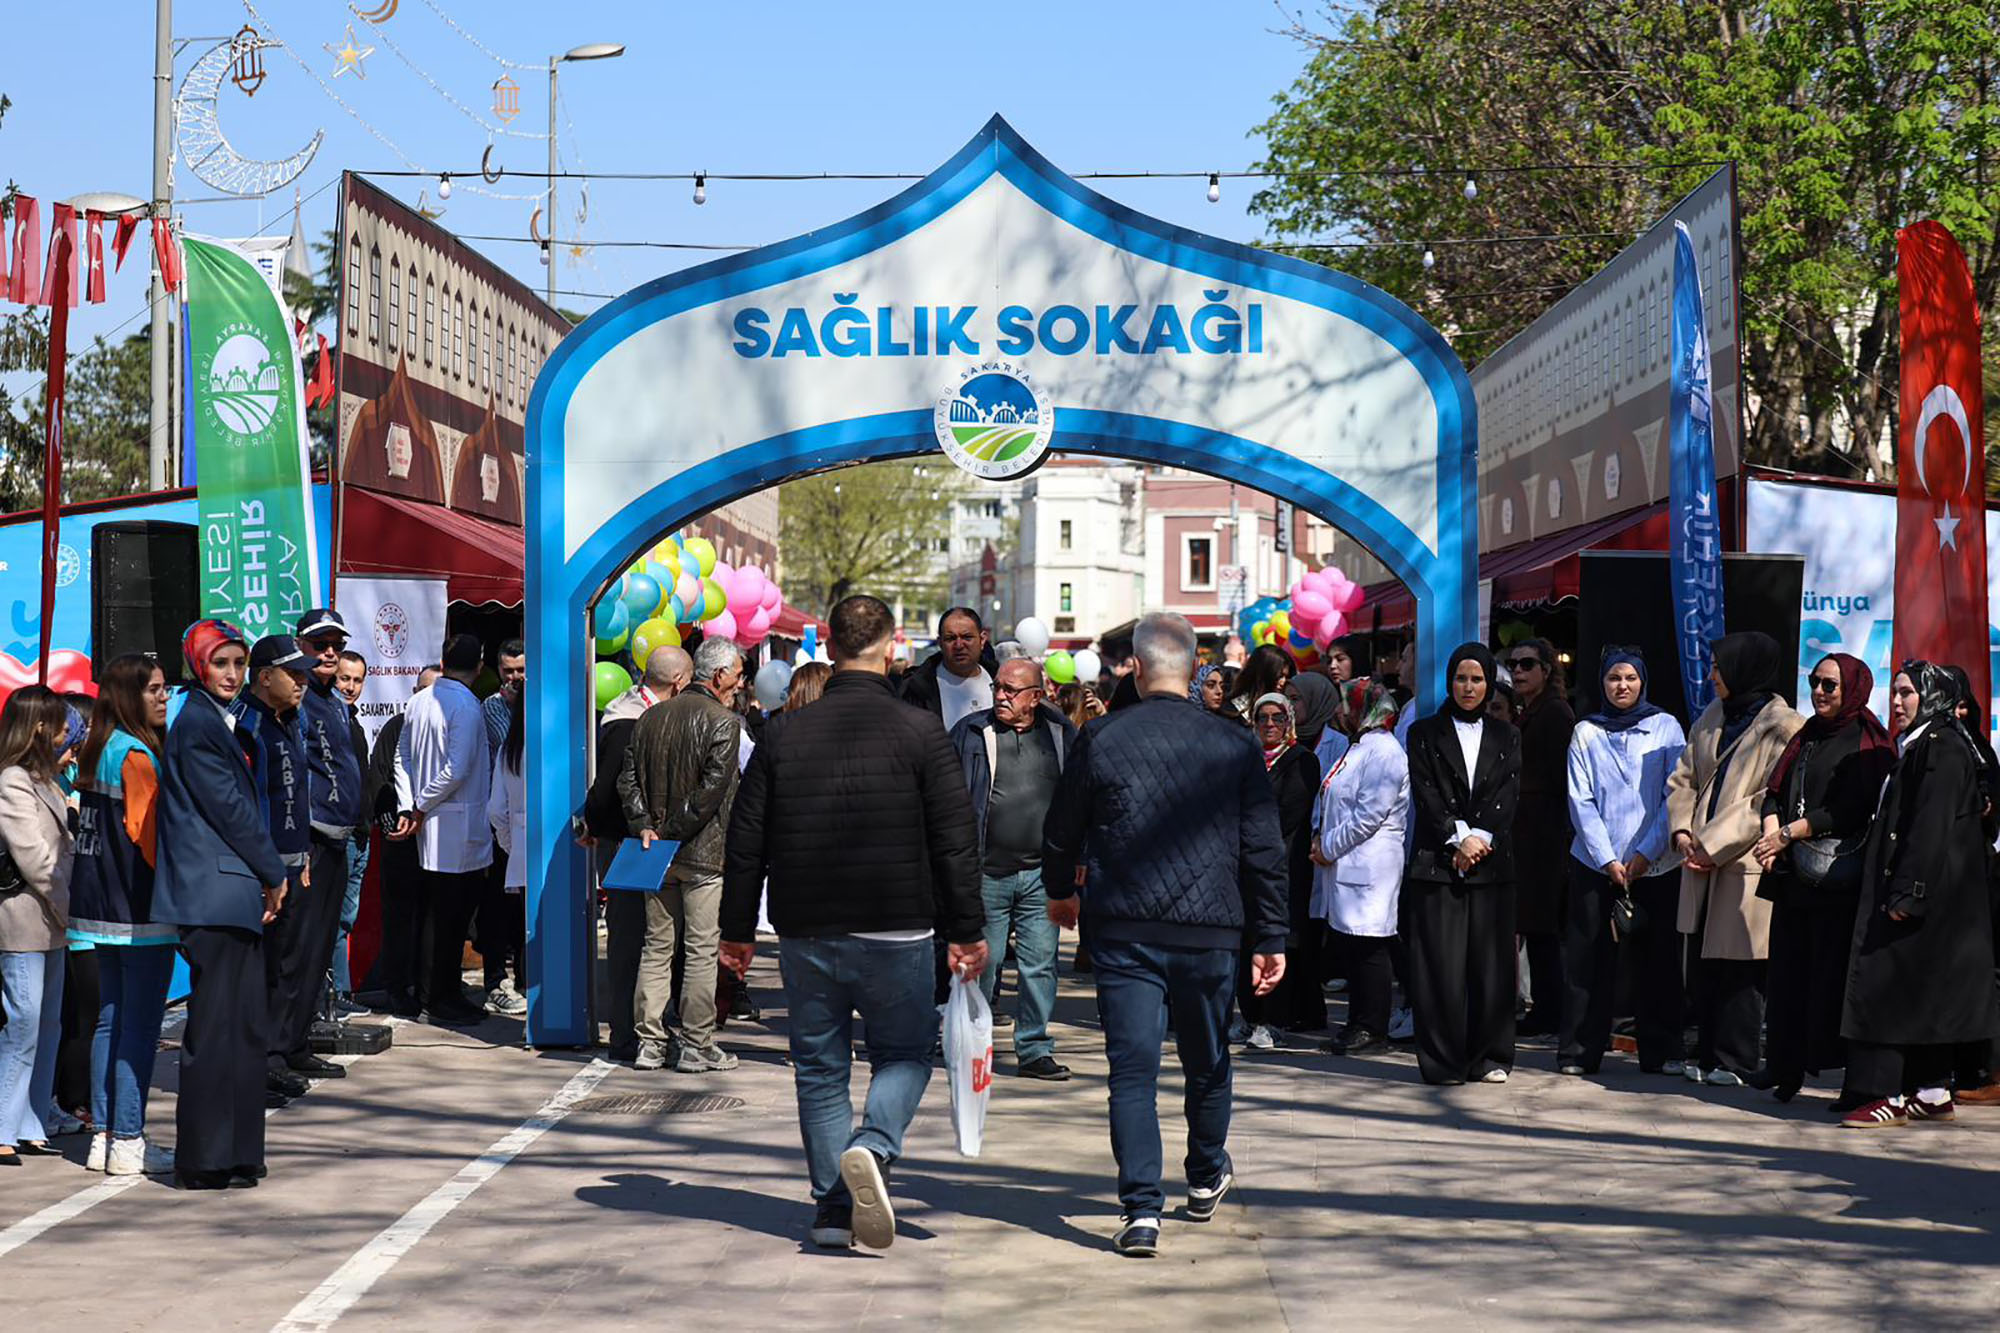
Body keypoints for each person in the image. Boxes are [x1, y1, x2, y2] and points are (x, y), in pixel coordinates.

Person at [721, 594, 986, 1252]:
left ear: (830, 646)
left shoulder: (782, 733)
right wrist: (967, 928)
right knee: (904, 1051)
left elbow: (745, 840)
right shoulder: (920, 730)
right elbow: (954, 840)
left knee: (819, 1068)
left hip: (807, 924)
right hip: (897, 923)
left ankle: (833, 1208)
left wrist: (735, 931)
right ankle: (872, 1144)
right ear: (891, 645)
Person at [1042, 611, 1288, 1258]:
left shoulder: (1103, 736)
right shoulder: (1235, 744)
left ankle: (1141, 1209)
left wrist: (1060, 891)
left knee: (1133, 1070)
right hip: (1211, 929)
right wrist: (1272, 935)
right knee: (1208, 1060)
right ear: (1194, 670)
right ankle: (1205, 1173)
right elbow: (1263, 848)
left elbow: (1062, 826)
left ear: (1139, 668)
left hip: (1125, 927)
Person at [153, 621, 288, 1189]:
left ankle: (234, 1154)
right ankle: (205, 1160)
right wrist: (274, 870)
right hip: (214, 894)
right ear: (198, 666)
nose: (231, 674)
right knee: (215, 1030)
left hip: (226, 893)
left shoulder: (211, 719)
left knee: (242, 1028)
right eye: (220, 664)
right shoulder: (199, 725)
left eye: (237, 663)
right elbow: (231, 809)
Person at [1838, 663, 2000, 1127]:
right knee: (1922, 993)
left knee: (1887, 989)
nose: (1897, 701)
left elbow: (1929, 828)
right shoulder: (1930, 744)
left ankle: (1886, 1093)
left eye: (1908, 692)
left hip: (1920, 897)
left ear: (1934, 697)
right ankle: (1930, 1091)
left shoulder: (1941, 748)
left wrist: (1910, 891)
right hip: (1931, 900)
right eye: (1895, 692)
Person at [1744, 653, 1894, 1101]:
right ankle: (1784, 1066)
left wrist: (1788, 833)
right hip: (1795, 878)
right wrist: (1773, 830)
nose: (1820, 692)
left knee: (1831, 981)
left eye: (1830, 684)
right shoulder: (1807, 734)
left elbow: (1850, 810)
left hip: (1837, 882)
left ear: (1852, 688)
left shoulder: (1869, 742)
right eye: (1815, 682)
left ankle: (1848, 1080)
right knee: (1787, 977)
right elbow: (1775, 789)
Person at [1665, 631, 1804, 1087]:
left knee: (1741, 966)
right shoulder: (1711, 715)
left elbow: (1769, 798)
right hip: (1699, 860)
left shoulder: (1785, 726)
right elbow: (1683, 776)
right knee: (1703, 964)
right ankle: (1706, 1053)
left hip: (1741, 861)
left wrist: (1713, 843)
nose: (1712, 676)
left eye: (1720, 668)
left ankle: (1737, 1058)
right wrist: (1683, 831)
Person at [69, 655, 176, 1174]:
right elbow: (150, 839)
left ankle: (106, 1136)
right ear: (128, 696)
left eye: (163, 689)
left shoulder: (99, 748)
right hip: (138, 911)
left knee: (110, 1023)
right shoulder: (135, 755)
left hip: (96, 908)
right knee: (136, 1027)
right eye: (153, 690)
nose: (162, 698)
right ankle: (129, 1139)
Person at [1559, 649, 1687, 1076]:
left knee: (1659, 961)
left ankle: (1663, 1050)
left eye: (1631, 677)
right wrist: (1609, 858)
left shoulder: (1665, 727)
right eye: (1614, 678)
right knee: (1588, 960)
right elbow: (1581, 799)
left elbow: (1676, 794)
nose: (1623, 686)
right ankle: (1579, 1051)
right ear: (1602, 682)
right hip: (1596, 864)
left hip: (1655, 865)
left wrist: (1644, 854)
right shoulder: (1586, 732)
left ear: (1643, 681)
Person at [620, 636, 745, 1073]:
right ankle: (696, 1043)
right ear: (720, 675)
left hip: (657, 851)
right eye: (738, 674)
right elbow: (711, 793)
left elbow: (627, 782)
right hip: (701, 853)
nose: (741, 682)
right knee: (699, 949)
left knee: (656, 947)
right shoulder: (724, 722)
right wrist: (666, 831)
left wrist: (646, 828)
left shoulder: (650, 718)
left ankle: (650, 1044)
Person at [949, 656, 1076, 1080]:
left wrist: (1079, 858)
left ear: (1036, 697)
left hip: (1043, 874)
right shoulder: (970, 733)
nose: (999, 696)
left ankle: (1034, 1047)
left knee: (1040, 964)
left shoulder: (1061, 734)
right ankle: (973, 1046)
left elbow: (1083, 798)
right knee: (982, 963)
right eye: (997, 688)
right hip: (986, 871)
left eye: (1010, 690)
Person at [1403, 643, 1522, 1087]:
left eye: (1477, 679)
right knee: (1439, 967)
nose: (1468, 687)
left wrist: (1481, 839)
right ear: (1449, 680)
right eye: (1460, 678)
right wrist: (1459, 836)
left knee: (1491, 967)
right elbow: (1426, 791)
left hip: (1492, 866)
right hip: (1438, 862)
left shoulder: (1508, 735)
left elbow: (1507, 795)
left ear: (1489, 682)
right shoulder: (1423, 733)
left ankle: (1490, 1055)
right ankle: (1442, 1061)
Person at [583, 646, 691, 1060]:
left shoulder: (620, 710)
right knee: (634, 940)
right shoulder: (633, 722)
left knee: (643, 939)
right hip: (633, 844)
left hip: (626, 840)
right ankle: (628, 1035)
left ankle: (641, 1030)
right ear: (679, 683)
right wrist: (599, 825)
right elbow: (609, 786)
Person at [235, 636, 325, 1099]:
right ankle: (259, 1060)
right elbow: (245, 805)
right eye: (296, 673)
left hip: (294, 864)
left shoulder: (293, 718)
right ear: (265, 676)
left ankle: (284, 1046)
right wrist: (263, 869)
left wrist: (303, 853)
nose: (304, 682)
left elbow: (296, 794)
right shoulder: (245, 724)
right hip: (259, 871)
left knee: (290, 963)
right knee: (260, 969)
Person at [0, 687, 82, 1167]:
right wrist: (65, 905)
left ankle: (30, 1121)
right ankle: (4, 1125)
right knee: (23, 1022)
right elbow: (33, 856)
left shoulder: (46, 779)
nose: (66, 731)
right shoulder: (13, 780)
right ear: (37, 727)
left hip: (52, 919)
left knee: (47, 1023)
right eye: (57, 722)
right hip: (25, 918)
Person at [397, 633, 495, 1026]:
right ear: (480, 666)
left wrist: (411, 803)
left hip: (431, 820)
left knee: (436, 916)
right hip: (455, 825)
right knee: (450, 920)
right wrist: (419, 805)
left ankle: (434, 991)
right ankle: (442, 995)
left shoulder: (419, 700)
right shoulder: (467, 707)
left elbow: (402, 757)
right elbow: (456, 769)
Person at [1313, 680, 1409, 1056]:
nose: (1341, 713)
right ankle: (1357, 1023)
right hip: (1346, 862)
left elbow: (1369, 815)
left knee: (1371, 947)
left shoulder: (1385, 752)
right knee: (1354, 947)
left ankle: (1373, 1028)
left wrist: (1329, 847)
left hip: (1371, 866)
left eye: (1346, 706)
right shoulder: (1360, 746)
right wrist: (1322, 841)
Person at [290, 610, 364, 1066]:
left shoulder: (335, 701)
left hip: (341, 835)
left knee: (321, 945)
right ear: (301, 645)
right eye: (321, 644)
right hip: (311, 839)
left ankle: (302, 1039)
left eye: (336, 643)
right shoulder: (296, 700)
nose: (330, 652)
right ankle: (288, 1044)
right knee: (301, 948)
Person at [1237, 692, 1322, 1043]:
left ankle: (1273, 1020)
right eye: (1262, 718)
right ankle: (1250, 1015)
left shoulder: (1301, 760)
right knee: (1246, 942)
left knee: (1279, 940)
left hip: (1284, 865)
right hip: (1245, 867)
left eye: (1278, 718)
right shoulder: (1248, 758)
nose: (1269, 725)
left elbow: (1288, 812)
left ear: (1290, 721)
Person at [1501, 638, 1573, 1039]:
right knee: (1532, 926)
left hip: (1545, 835)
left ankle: (1551, 1010)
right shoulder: (1529, 712)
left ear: (1547, 669)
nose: (1519, 670)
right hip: (1526, 833)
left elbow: (1564, 781)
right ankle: (1546, 1008)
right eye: (1513, 664)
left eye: (1527, 663)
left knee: (1543, 928)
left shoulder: (1556, 714)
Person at [367, 666, 439, 1016]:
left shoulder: (446, 727)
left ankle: (429, 990)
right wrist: (393, 819)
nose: (428, 698)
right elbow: (381, 776)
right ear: (413, 691)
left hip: (437, 842)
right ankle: (397, 988)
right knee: (400, 918)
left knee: (432, 917)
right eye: (423, 689)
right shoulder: (397, 727)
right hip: (401, 839)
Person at [331, 650, 372, 1016]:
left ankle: (342, 992)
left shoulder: (353, 720)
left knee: (347, 916)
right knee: (337, 920)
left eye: (358, 680)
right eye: (345, 678)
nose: (350, 687)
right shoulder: (331, 719)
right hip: (342, 835)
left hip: (361, 834)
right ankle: (336, 992)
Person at [487, 686, 528, 1007]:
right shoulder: (565, 746)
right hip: (560, 850)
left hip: (522, 850)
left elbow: (496, 810)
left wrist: (512, 843)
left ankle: (526, 987)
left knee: (524, 924)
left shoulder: (510, 749)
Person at [900, 607, 993, 731]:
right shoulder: (916, 688)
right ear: (940, 643)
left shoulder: (1001, 680)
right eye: (950, 638)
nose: (959, 645)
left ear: (982, 640)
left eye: (967, 637)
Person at [1288, 671, 1345, 777]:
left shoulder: (1339, 743)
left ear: (1315, 699)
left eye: (1295, 699)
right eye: (1286, 698)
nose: (1288, 705)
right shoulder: (1282, 738)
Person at [1225, 644, 1293, 724]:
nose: (1283, 682)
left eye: (1287, 677)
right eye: (1279, 676)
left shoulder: (1287, 709)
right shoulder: (1231, 710)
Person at [482, 639, 526, 757]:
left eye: (521, 670)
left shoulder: (542, 701)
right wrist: (517, 704)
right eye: (509, 671)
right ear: (500, 670)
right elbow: (510, 745)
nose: (516, 676)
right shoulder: (492, 705)